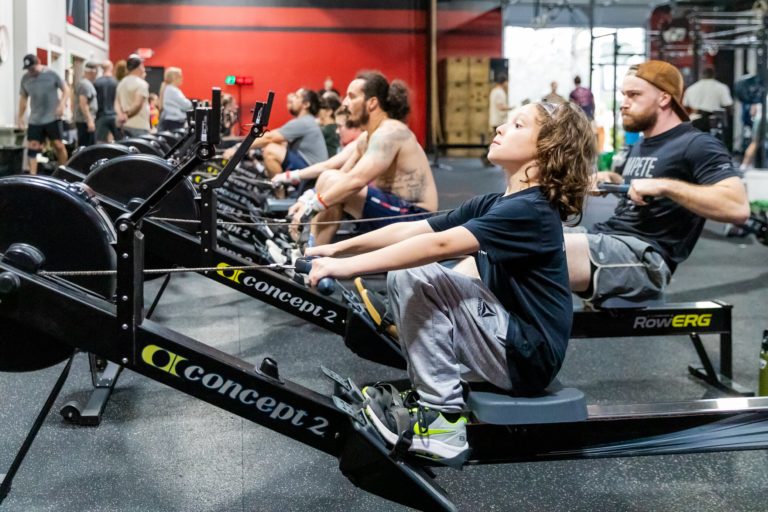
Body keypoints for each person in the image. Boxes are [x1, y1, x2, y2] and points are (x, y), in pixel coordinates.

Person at [304, 101, 595, 460]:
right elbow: (413, 229)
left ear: (548, 150)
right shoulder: (497, 202)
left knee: (416, 272)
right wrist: (335, 251)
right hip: (510, 338)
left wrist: (348, 268)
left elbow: (437, 244)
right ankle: (433, 394)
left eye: (517, 125)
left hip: (528, 356)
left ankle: (442, 423)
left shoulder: (530, 209)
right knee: (416, 269)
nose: (501, 128)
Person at [566, 60, 750, 305]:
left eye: (634, 95)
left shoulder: (698, 144)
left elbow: (738, 208)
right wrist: (613, 181)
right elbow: (642, 191)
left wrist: (664, 185)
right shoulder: (642, 144)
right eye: (623, 95)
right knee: (523, 235)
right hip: (607, 240)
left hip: (644, 261)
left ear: (664, 99)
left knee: (536, 247)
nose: (624, 103)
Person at [290, 71, 438, 246]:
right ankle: (309, 254)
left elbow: (356, 181)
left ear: (372, 103)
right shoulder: (366, 138)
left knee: (334, 183)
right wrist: (306, 199)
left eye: (351, 97)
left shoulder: (391, 132)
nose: (345, 103)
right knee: (329, 178)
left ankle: (310, 257)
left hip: (416, 218)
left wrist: (310, 209)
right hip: (393, 210)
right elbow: (339, 173)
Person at [222, 87, 328, 177]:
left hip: (312, 172)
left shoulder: (304, 122)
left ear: (306, 104)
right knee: (273, 146)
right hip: (307, 165)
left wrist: (238, 148)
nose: (292, 98)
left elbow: (270, 137)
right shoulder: (305, 121)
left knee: (271, 150)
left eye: (296, 96)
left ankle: (279, 194)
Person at [17, 53, 70, 174]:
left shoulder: (51, 74)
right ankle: (33, 177)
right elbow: (23, 99)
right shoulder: (25, 79)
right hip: (35, 119)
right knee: (33, 147)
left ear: (38, 63)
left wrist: (62, 104)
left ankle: (64, 172)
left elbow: (66, 89)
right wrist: (20, 117)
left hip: (53, 117)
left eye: (33, 68)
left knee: (58, 145)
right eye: (28, 69)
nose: (31, 71)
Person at [683, 67, 733, 133]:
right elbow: (728, 105)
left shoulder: (691, 88)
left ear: (701, 75)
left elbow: (685, 105)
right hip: (713, 122)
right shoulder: (721, 87)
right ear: (714, 75)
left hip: (694, 121)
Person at [115, 55, 150, 137]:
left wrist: (121, 115)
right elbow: (137, 104)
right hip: (139, 126)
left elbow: (116, 103)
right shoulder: (141, 84)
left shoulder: (121, 82)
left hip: (124, 126)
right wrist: (127, 115)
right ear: (140, 67)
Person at [157, 66, 193, 132]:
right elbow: (187, 105)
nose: (182, 79)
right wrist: (190, 103)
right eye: (180, 76)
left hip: (171, 121)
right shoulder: (173, 90)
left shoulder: (168, 88)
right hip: (174, 121)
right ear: (175, 78)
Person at [94, 60, 120, 143]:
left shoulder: (97, 82)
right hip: (114, 115)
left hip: (101, 115)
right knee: (119, 141)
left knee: (100, 143)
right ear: (111, 67)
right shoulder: (116, 82)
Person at [74, 62, 99, 147]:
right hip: (84, 122)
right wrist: (89, 121)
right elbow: (83, 104)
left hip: (86, 121)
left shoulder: (86, 83)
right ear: (93, 72)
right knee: (86, 148)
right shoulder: (85, 84)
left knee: (89, 146)